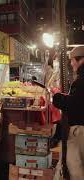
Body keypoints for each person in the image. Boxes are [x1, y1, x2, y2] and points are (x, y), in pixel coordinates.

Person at [53, 46, 84, 180]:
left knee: (74, 164)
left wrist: (59, 98)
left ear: (81, 60)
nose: (71, 64)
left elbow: (76, 104)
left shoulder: (81, 80)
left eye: (72, 60)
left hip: (79, 129)